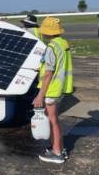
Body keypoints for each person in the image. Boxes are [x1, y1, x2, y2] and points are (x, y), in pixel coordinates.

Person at [32, 17, 74, 163]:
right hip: (61, 87)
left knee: (51, 120)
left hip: (52, 89)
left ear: (46, 31)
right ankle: (60, 148)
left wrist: (39, 96)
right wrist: (42, 68)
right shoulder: (62, 43)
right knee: (55, 119)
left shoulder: (51, 47)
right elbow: (56, 65)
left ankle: (57, 154)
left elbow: (49, 74)